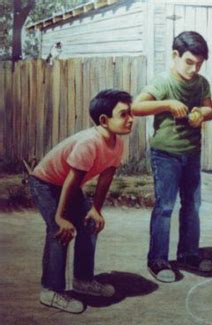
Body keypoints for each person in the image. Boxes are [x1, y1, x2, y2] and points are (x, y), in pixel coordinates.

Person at [29, 89, 134, 313]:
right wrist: (59, 216)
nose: (131, 119)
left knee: (90, 223)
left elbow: (106, 178)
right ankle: (51, 290)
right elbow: (70, 180)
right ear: (104, 120)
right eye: (124, 114)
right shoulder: (89, 142)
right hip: (46, 183)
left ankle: (83, 280)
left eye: (131, 113)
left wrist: (95, 209)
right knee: (60, 229)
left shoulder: (117, 143)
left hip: (68, 185)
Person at [132, 31, 212, 283]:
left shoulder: (201, 83)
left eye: (199, 64)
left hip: (191, 153)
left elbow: (211, 110)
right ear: (175, 55)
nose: (193, 68)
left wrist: (202, 112)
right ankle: (157, 260)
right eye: (189, 62)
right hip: (166, 154)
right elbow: (136, 107)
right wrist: (167, 104)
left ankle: (188, 254)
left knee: (192, 205)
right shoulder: (163, 82)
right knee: (166, 206)